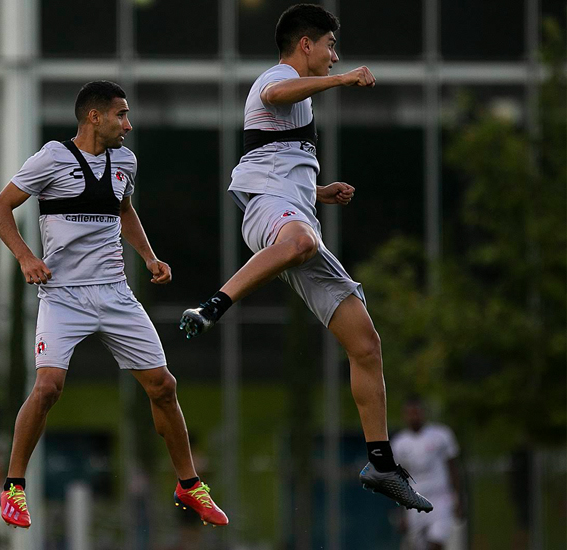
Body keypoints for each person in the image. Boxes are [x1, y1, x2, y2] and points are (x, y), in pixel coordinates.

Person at [177, 3, 432, 512]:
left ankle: (381, 464)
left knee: (366, 344)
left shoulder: (300, 103)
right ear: (306, 44)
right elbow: (274, 96)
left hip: (294, 215)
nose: (335, 57)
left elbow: (274, 160)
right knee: (301, 243)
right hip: (270, 215)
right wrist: (343, 81)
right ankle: (211, 307)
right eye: (331, 47)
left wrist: (318, 191)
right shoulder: (277, 78)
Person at [0, 80, 228, 529]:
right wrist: (26, 257)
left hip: (115, 293)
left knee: (163, 386)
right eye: (121, 114)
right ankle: (14, 487)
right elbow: (0, 208)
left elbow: (124, 210)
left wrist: (149, 256)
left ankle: (189, 484)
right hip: (63, 296)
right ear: (94, 117)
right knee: (48, 388)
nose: (128, 124)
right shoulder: (52, 158)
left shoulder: (125, 161)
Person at [392, 397, 465, 549]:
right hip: (414, 500)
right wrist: (401, 512)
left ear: (423, 413)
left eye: (416, 412)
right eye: (410, 413)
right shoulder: (399, 443)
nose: (414, 417)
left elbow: (453, 468)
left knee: (436, 541)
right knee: (418, 545)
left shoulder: (441, 435)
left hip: (440, 498)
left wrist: (458, 498)